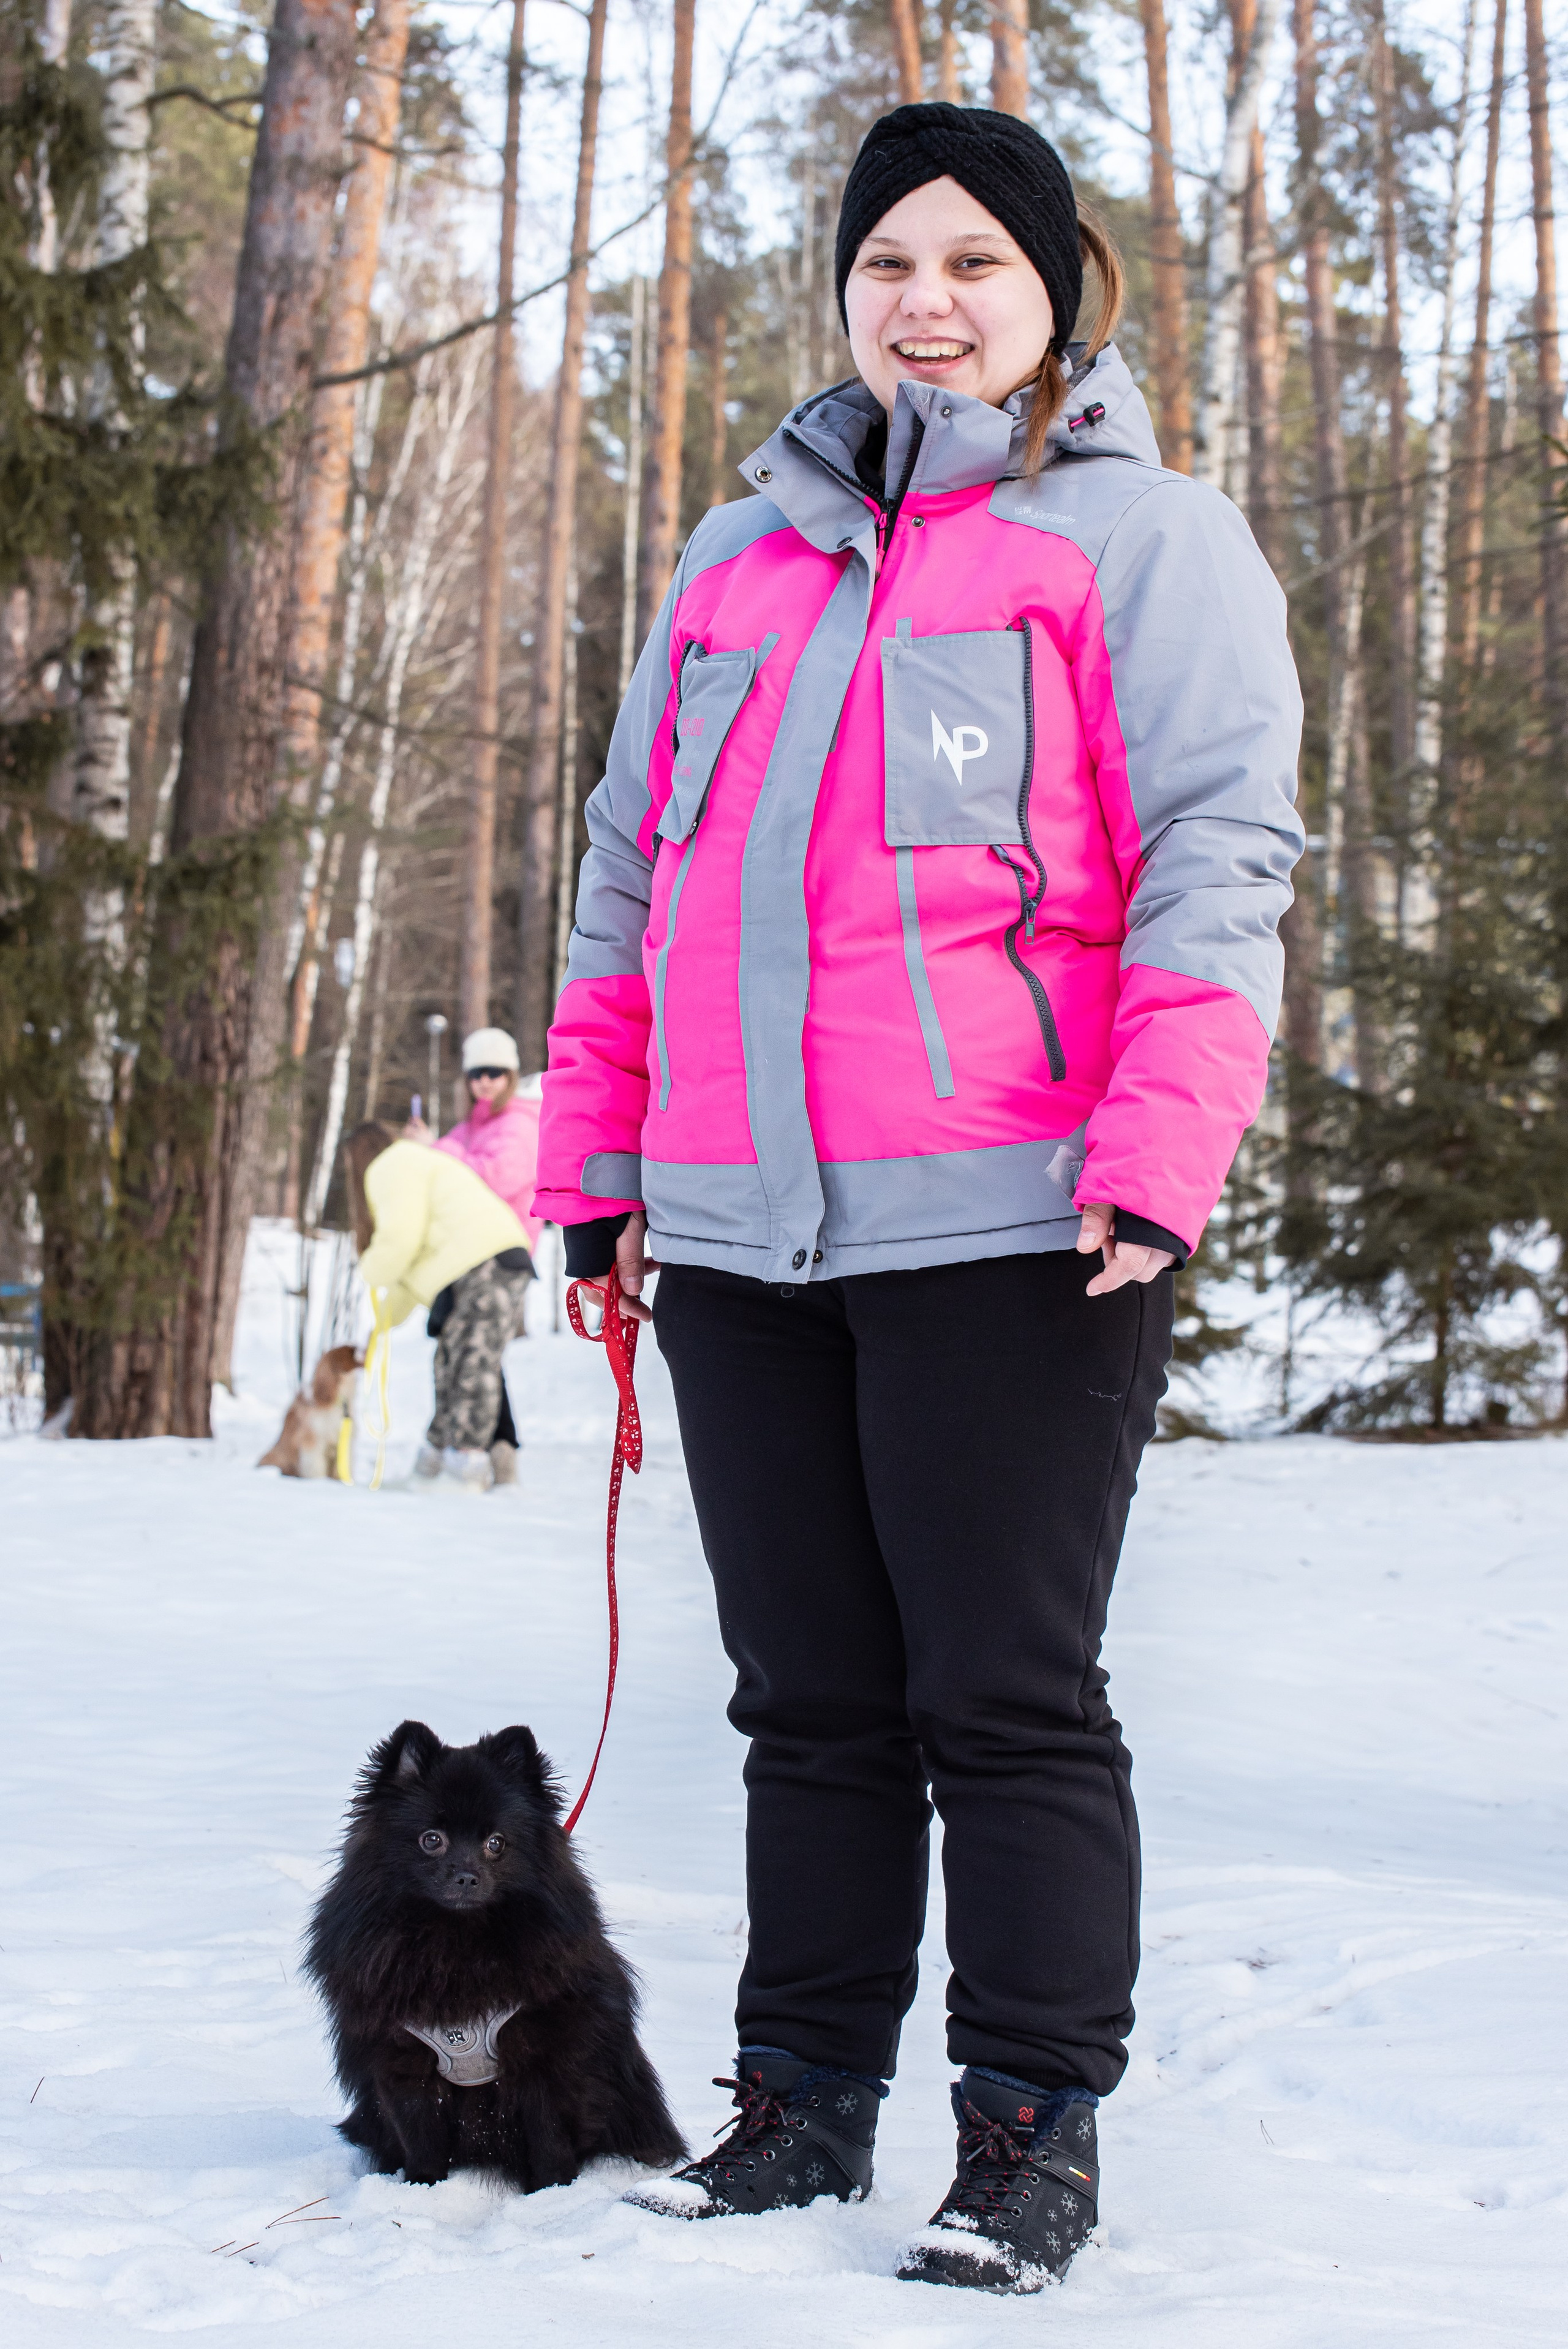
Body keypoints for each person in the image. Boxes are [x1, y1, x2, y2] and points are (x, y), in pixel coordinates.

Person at [534, 103, 1303, 2293]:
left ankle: (1027, 2133)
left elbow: (1210, 870)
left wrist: (1157, 1155)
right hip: (739, 1233)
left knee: (1005, 1693)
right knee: (806, 1696)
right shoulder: (732, 558)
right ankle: (797, 2104)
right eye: (888, 263)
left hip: (1009, 1222)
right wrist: (595, 1157)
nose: (926, 301)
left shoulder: (1143, 546)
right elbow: (627, 878)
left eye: (973, 261)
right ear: (845, 292)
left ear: (1051, 295)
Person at [344, 1122, 533, 1493]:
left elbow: (399, 1242)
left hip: (485, 1263)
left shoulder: (393, 1164)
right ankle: (437, 1464)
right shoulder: (411, 1163)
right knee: (452, 1362)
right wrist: (379, 1328)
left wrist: (369, 1268)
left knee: (470, 1367)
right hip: (481, 1264)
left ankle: (464, 1469)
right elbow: (406, 1279)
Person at [407, 1026, 542, 1484]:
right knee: (461, 1352)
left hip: (502, 1255)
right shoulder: (471, 1128)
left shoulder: (519, 1123)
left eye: (495, 1073)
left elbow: (491, 1177)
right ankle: (502, 1458)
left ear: (510, 1075)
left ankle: (469, 1459)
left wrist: (436, 1154)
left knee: (476, 1356)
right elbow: (441, 1170)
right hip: (465, 1256)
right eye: (476, 1074)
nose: (484, 1082)